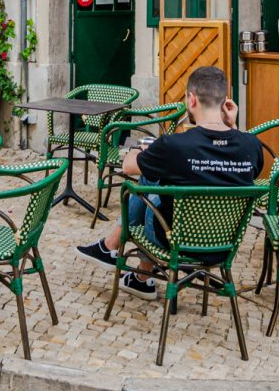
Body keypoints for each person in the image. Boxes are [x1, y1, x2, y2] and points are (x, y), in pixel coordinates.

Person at [76, 66, 264, 299]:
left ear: (191, 99)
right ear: (225, 102)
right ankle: (138, 276)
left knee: (149, 176)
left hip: (173, 242)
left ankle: (111, 247)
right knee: (159, 174)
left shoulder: (175, 145)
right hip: (223, 244)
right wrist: (233, 126)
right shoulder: (251, 145)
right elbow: (244, 165)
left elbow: (127, 167)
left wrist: (144, 150)